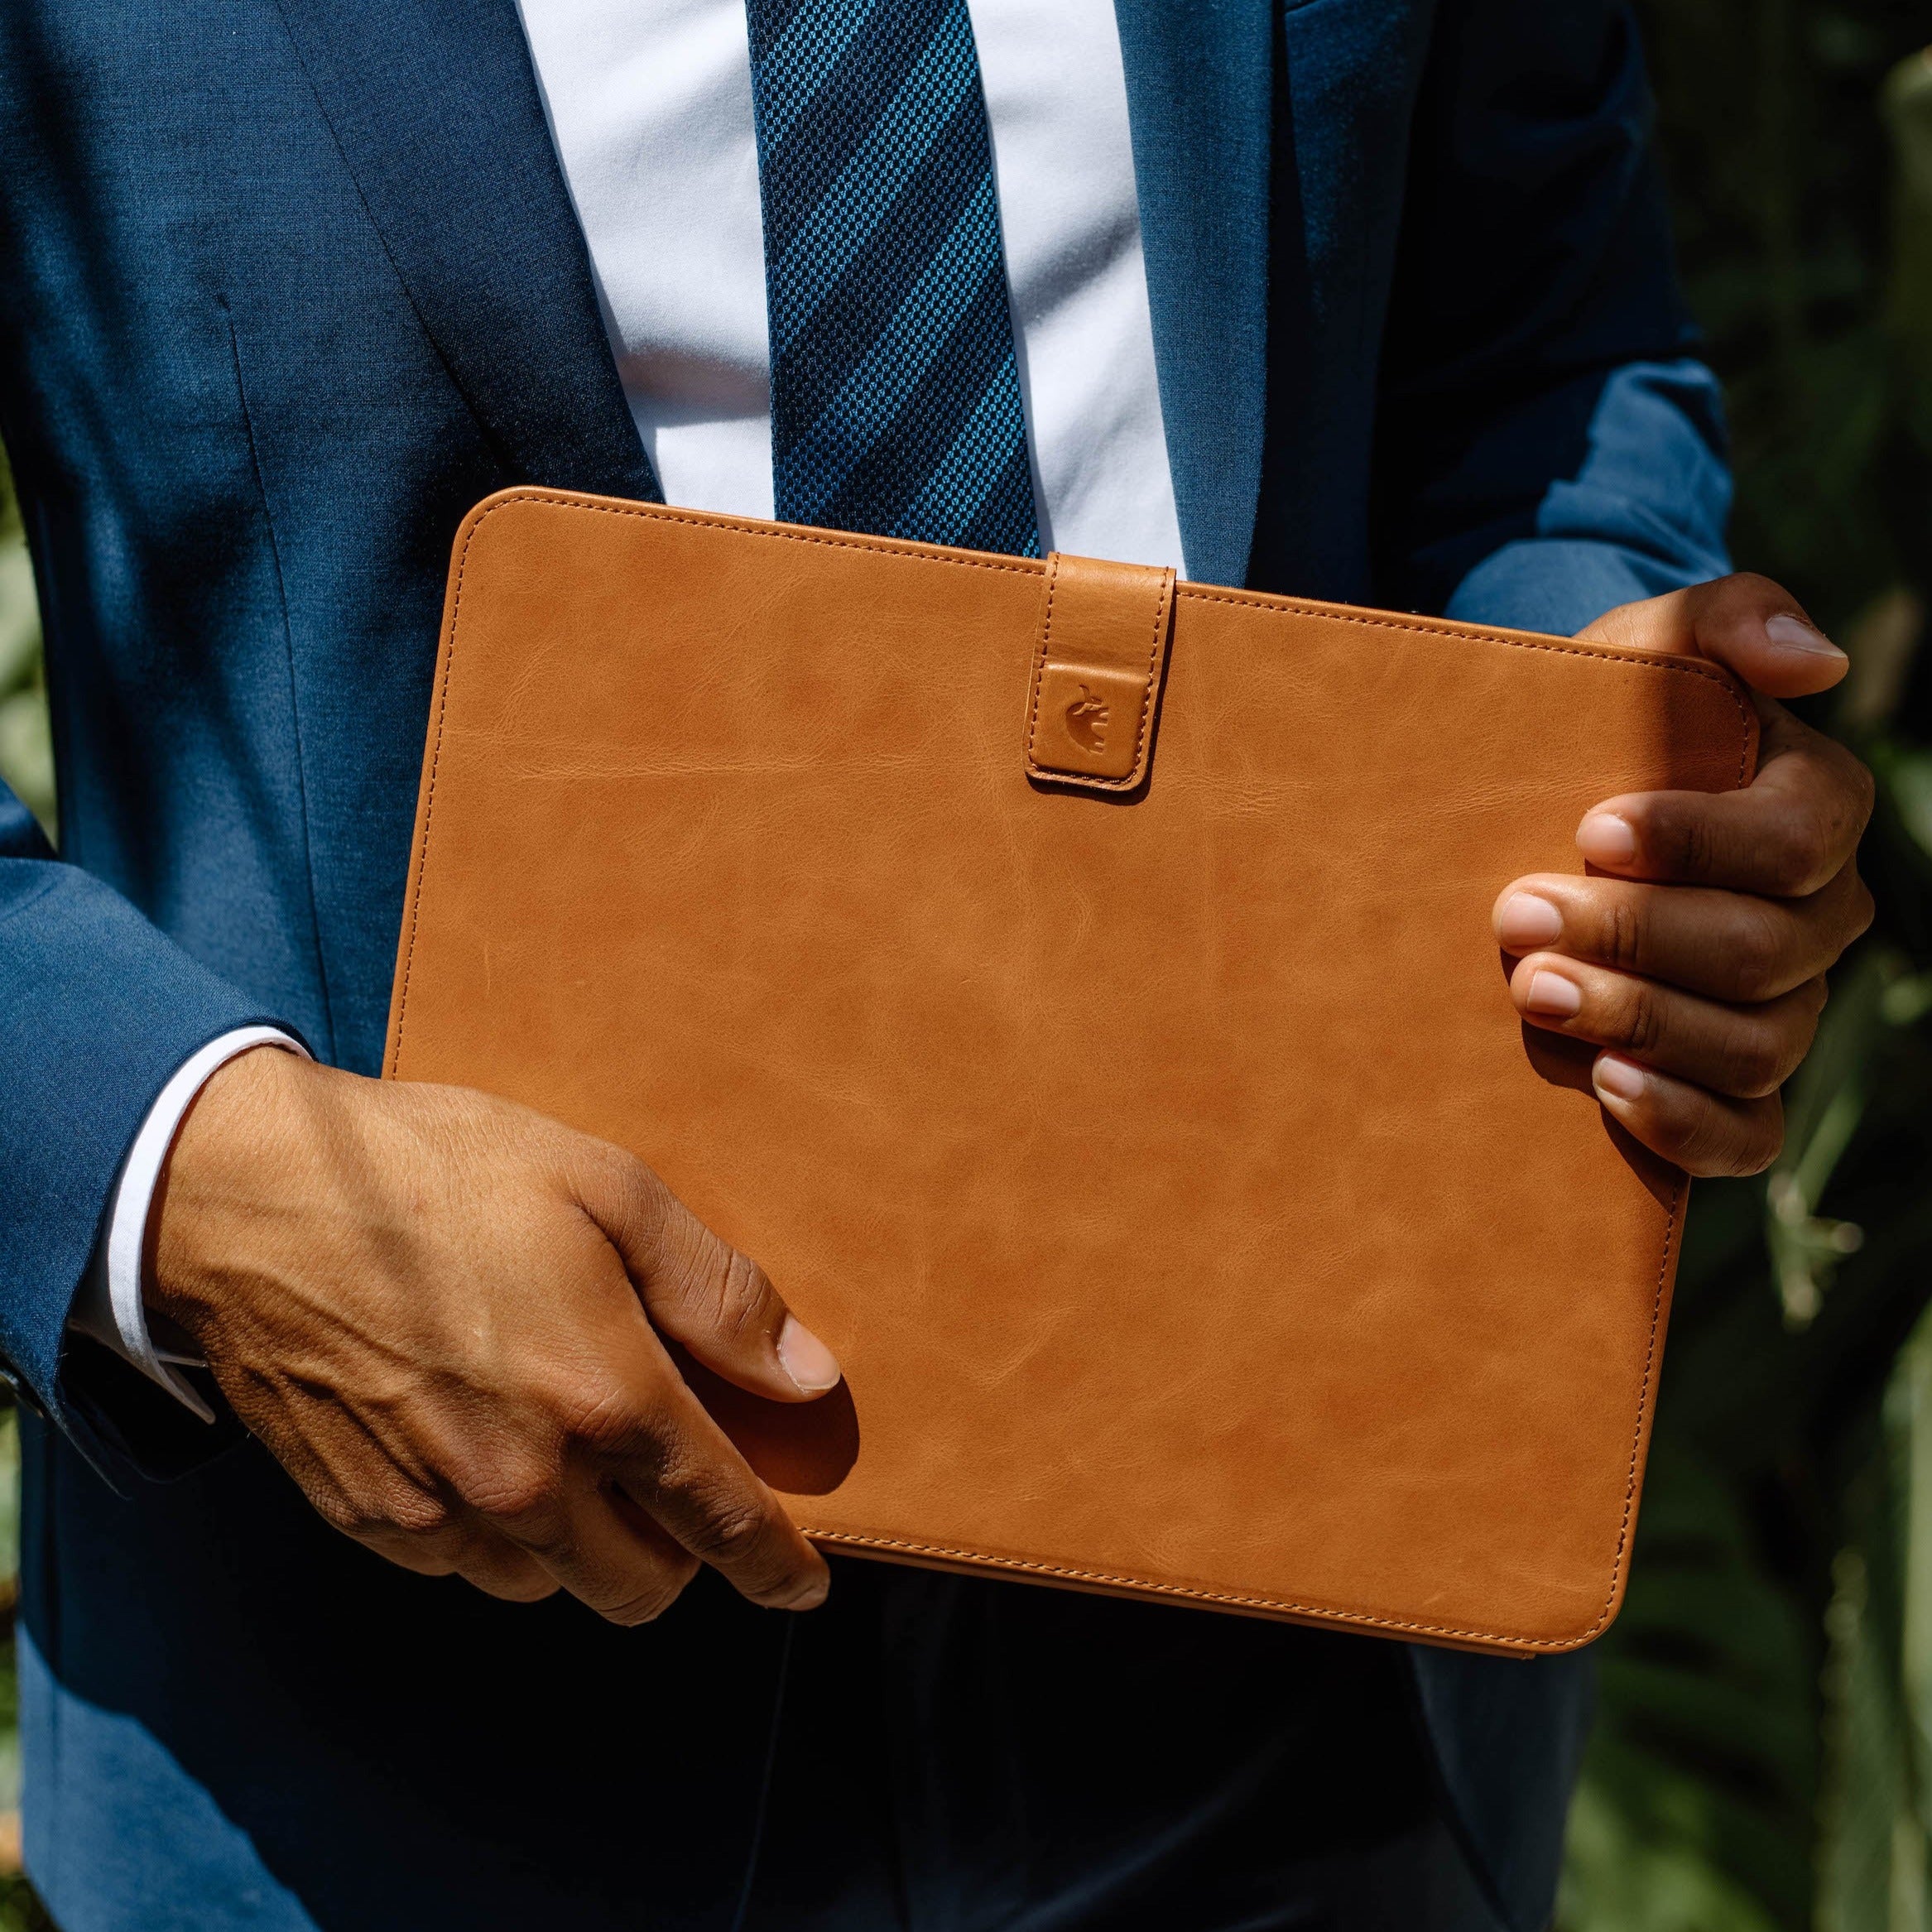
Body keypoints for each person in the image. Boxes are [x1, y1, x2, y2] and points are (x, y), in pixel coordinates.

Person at [0, 0, 1875, 1927]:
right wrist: (184, 1177)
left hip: (1303, 1683)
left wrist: (1596, 777)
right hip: (393, 1726)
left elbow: (1535, 367)